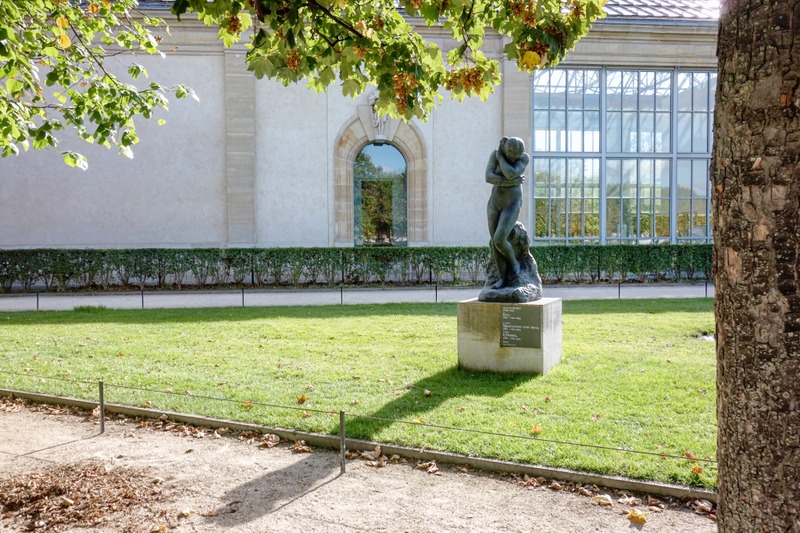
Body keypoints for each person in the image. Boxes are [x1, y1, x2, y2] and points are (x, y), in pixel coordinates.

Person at [485, 137, 530, 289]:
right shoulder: (495, 154)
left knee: (499, 239)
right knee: (493, 243)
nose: (513, 158)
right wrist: (509, 182)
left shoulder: (524, 158)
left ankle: (514, 263)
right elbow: (488, 177)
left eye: (516, 155)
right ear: (505, 147)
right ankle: (502, 278)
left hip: (512, 204)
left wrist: (501, 158)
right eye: (510, 154)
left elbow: (510, 173)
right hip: (495, 203)